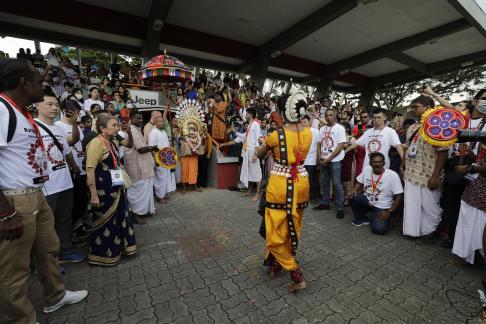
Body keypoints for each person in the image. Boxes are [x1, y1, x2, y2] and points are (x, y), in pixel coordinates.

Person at [0, 59, 87, 324]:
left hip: (36, 193)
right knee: (13, 270)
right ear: (24, 83)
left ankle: (55, 296)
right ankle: (20, 320)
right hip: (15, 199)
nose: (44, 85)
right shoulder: (2, 110)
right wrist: (5, 213)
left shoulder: (21, 112)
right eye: (38, 81)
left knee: (48, 249)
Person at [256, 92, 312, 293]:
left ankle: (295, 273)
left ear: (283, 111)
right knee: (293, 225)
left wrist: (263, 146)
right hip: (302, 182)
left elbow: (259, 154)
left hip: (281, 186)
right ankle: (277, 263)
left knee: (274, 231)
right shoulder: (309, 132)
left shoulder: (275, 135)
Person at [35, 89, 86, 263]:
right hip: (46, 187)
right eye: (49, 104)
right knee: (45, 225)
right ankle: (49, 261)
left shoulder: (57, 128)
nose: (54, 108)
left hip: (65, 182)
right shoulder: (32, 127)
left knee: (65, 220)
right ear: (37, 105)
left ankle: (65, 251)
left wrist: (75, 169)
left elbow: (67, 151)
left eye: (56, 105)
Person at [85, 113, 137, 266]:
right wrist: (94, 195)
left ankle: (120, 249)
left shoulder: (112, 140)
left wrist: (128, 131)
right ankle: (103, 256)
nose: (117, 128)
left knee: (119, 218)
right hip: (103, 191)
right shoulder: (96, 143)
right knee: (106, 223)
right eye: (113, 125)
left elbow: (129, 144)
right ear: (102, 128)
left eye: (117, 125)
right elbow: (90, 170)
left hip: (116, 188)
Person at [401, 96, 449, 244]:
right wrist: (402, 164)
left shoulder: (439, 126)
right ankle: (412, 230)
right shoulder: (412, 127)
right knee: (411, 203)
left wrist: (435, 176)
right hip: (411, 172)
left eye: (416, 106)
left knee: (430, 206)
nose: (413, 109)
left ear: (428, 107)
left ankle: (429, 231)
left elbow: (443, 151)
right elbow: (408, 147)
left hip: (429, 174)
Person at [55, 99, 90, 245]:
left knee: (80, 203)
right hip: (70, 172)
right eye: (74, 110)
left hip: (81, 171)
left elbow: (81, 147)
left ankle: (76, 229)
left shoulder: (78, 127)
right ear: (65, 110)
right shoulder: (57, 126)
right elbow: (71, 142)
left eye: (78, 110)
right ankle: (68, 237)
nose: (77, 113)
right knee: (70, 207)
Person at [349, 152, 403, 234]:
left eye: (380, 162)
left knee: (378, 229)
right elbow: (359, 182)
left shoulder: (392, 175)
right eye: (374, 162)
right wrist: (354, 189)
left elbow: (399, 196)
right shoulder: (367, 169)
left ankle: (389, 219)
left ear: (384, 163)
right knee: (352, 196)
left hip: (382, 206)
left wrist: (389, 212)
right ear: (370, 163)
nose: (377, 164)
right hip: (368, 201)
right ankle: (361, 219)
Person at [452, 135, 486, 264]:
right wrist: (470, 154)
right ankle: (464, 255)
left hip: (480, 197)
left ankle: (473, 255)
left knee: (477, 227)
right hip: (473, 193)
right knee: (468, 224)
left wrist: (469, 168)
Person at [220, 108, 262, 201]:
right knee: (250, 172)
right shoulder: (250, 125)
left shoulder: (256, 125)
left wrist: (255, 154)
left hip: (253, 152)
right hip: (247, 151)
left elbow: (257, 141)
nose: (245, 115)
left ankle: (257, 194)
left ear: (251, 115)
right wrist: (235, 132)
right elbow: (244, 136)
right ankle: (249, 191)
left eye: (247, 114)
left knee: (257, 173)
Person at [124, 112, 158, 224]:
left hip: (143, 166)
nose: (140, 120)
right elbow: (141, 149)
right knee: (138, 191)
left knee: (144, 190)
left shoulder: (137, 129)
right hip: (137, 168)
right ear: (131, 119)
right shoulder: (132, 130)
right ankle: (135, 214)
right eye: (138, 118)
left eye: (141, 118)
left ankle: (142, 211)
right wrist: (152, 147)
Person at [314, 109, 346, 219]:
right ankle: (325, 203)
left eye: (331, 115)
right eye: (327, 115)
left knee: (337, 183)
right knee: (324, 182)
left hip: (335, 160)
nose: (328, 117)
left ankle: (340, 207)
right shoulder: (322, 128)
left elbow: (341, 145)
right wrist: (320, 157)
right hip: (324, 159)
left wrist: (329, 159)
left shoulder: (340, 128)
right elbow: (318, 144)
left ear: (335, 115)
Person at [149, 116, 177, 202]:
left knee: (165, 177)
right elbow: (152, 148)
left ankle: (163, 194)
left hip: (167, 158)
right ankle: (159, 197)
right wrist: (156, 160)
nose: (162, 123)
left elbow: (167, 145)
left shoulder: (164, 132)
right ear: (155, 123)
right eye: (160, 121)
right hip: (159, 159)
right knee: (160, 178)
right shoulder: (153, 133)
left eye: (162, 121)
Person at [301, 115, 320, 203]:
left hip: (311, 159)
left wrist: (318, 160)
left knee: (312, 179)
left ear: (309, 122)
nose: (303, 123)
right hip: (302, 159)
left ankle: (314, 197)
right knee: (303, 179)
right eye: (302, 122)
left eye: (305, 121)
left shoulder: (315, 131)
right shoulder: (300, 132)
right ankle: (305, 196)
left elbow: (318, 146)